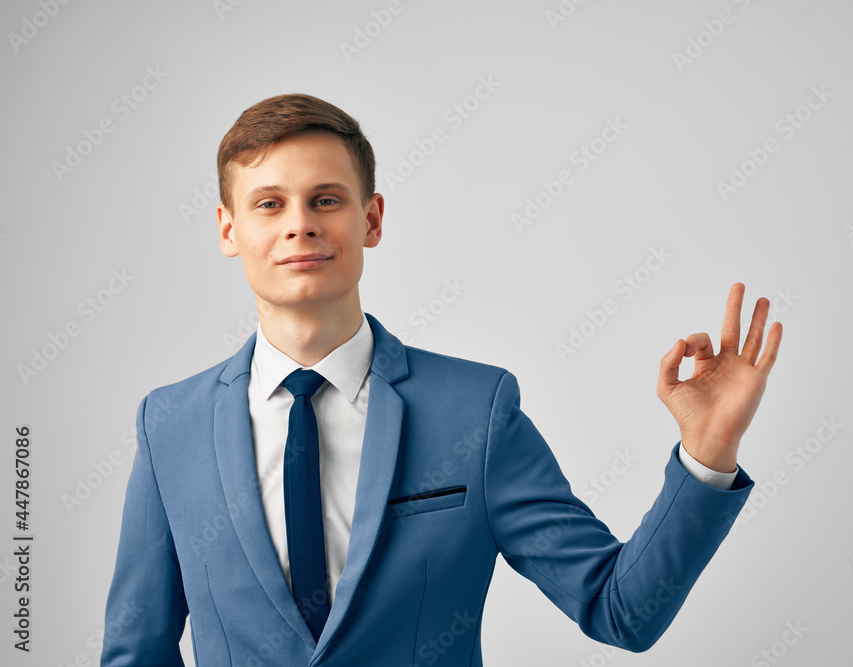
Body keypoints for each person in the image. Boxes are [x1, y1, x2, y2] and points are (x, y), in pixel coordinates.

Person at [101, 93, 782, 666]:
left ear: (371, 220)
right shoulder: (170, 425)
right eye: (269, 204)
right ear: (229, 229)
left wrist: (708, 453)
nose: (300, 225)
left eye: (326, 199)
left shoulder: (474, 411)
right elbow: (137, 649)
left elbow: (620, 609)